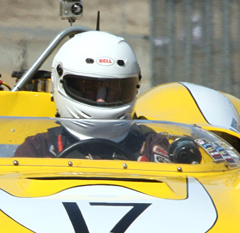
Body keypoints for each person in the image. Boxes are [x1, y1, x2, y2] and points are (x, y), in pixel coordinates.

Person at [14, 30, 185, 163]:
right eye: (89, 88)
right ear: (61, 83)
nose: (101, 99)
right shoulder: (39, 148)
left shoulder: (149, 145)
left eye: (112, 89)